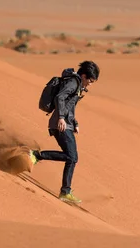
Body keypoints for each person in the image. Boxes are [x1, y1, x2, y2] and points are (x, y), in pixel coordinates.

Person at [29, 60, 100, 204]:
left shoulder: (77, 85)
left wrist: (74, 123)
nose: (90, 84)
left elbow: (70, 105)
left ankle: (65, 191)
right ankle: (36, 156)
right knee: (72, 157)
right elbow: (60, 97)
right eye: (90, 81)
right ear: (84, 76)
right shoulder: (73, 82)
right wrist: (61, 118)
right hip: (60, 124)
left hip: (65, 123)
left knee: (71, 158)